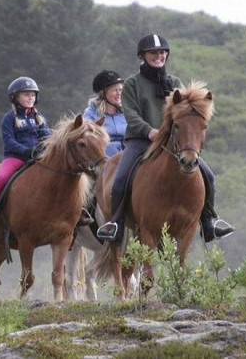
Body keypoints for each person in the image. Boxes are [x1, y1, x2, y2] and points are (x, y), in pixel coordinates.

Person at [95, 34, 235, 242]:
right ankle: (115, 223)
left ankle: (209, 221)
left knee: (209, 176)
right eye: (153, 53)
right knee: (120, 180)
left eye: (162, 53)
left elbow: (187, 115)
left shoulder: (175, 83)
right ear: (143, 56)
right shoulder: (133, 83)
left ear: (166, 56)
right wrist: (149, 131)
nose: (158, 56)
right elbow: (131, 115)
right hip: (140, 141)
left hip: (173, 143)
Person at [0, 77, 51, 226]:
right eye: (26, 94)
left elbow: (46, 136)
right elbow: (9, 141)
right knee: (2, 177)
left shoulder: (39, 117)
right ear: (15, 97)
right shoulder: (9, 118)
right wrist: (26, 151)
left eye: (33, 95)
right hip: (16, 157)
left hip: (38, 156)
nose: (30, 97)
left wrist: (45, 147)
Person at [84, 70, 127, 157]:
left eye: (120, 90)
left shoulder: (128, 110)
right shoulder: (91, 113)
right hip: (104, 157)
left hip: (128, 152)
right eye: (115, 90)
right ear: (103, 93)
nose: (119, 93)